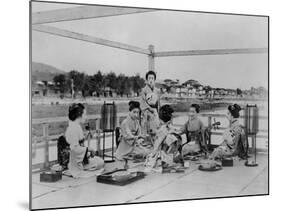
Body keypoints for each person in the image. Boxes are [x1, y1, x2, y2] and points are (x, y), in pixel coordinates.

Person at [65, 103, 104, 178]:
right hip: (75, 161)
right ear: (79, 115)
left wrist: (87, 153)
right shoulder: (73, 128)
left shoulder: (76, 126)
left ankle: (87, 166)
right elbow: (74, 149)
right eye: (84, 114)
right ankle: (82, 168)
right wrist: (89, 149)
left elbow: (80, 145)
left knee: (100, 161)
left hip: (81, 158)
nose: (85, 117)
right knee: (100, 162)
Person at [144, 105, 183, 171]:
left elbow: (156, 146)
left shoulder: (162, 129)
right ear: (170, 118)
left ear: (160, 118)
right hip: (170, 155)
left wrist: (151, 155)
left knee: (150, 157)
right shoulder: (169, 128)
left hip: (164, 156)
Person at [140, 70, 160, 136]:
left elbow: (158, 103)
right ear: (147, 80)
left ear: (154, 79)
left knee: (155, 130)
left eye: (152, 78)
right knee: (146, 131)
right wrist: (150, 109)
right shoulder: (144, 90)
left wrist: (158, 111)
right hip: (146, 112)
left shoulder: (157, 90)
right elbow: (143, 102)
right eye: (149, 78)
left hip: (155, 112)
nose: (151, 80)